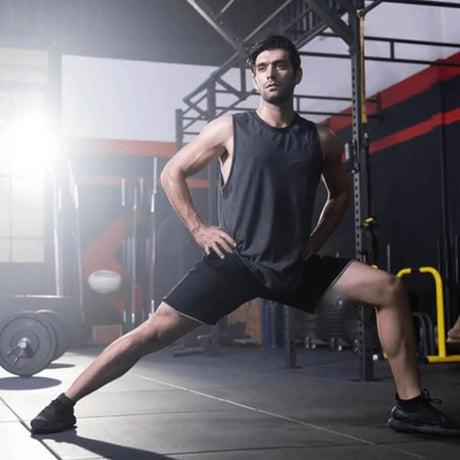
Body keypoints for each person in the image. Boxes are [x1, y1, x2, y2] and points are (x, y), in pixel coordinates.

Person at [31, 35, 460, 437]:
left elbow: (341, 194)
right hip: (236, 262)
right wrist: (199, 229)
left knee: (388, 288)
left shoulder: (321, 139)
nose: (271, 73)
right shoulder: (231, 129)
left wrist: (315, 240)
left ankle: (410, 405)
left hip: (294, 265)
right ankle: (65, 402)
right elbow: (171, 172)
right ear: (254, 78)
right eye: (262, 68)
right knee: (153, 332)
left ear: (297, 73)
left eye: (280, 65)